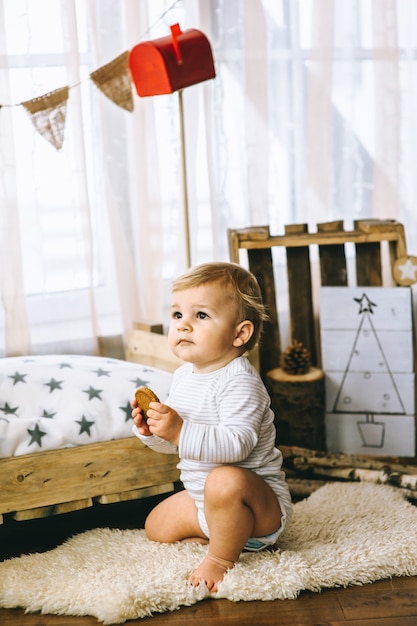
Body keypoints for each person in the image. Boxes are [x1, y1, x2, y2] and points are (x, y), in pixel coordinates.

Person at [132, 261, 292, 592]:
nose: (183, 326)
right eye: (177, 316)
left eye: (200, 316)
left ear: (240, 333)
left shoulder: (240, 381)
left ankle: (221, 558)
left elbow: (236, 446)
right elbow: (179, 443)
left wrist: (178, 431)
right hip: (204, 500)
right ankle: (223, 534)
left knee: (223, 479)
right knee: (155, 527)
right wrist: (155, 432)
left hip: (258, 508)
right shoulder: (183, 377)